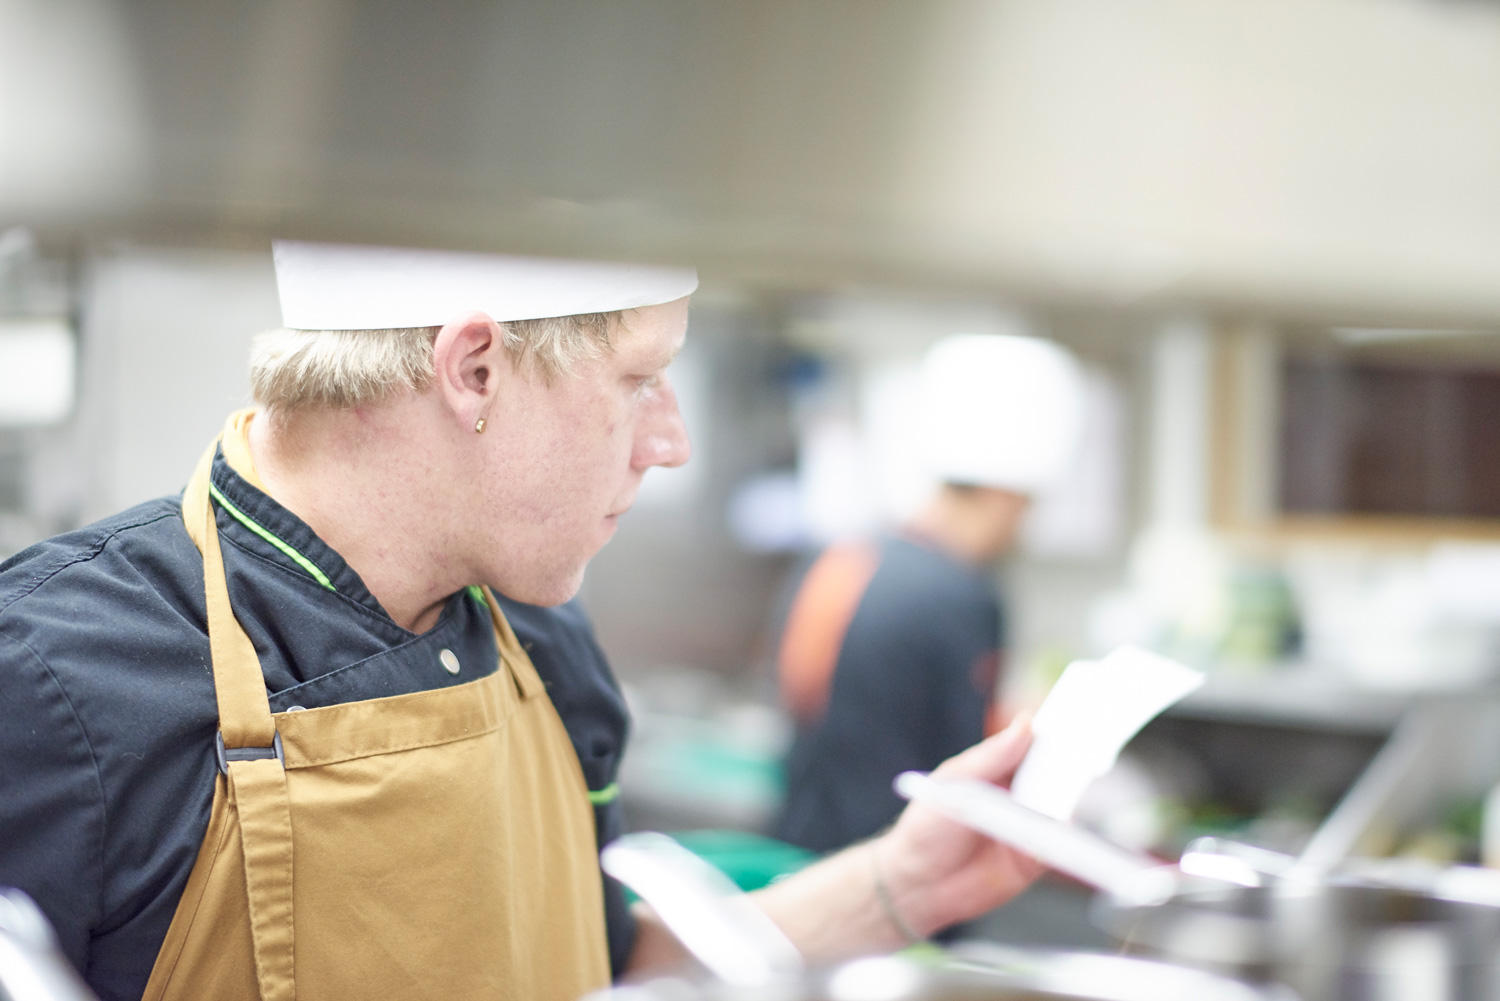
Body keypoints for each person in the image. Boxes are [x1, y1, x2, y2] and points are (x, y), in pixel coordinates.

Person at [0, 241, 1043, 1001]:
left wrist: (903, 878)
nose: (669, 439)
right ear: (474, 369)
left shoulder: (542, 643)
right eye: (639, 379)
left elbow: (606, 959)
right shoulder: (54, 675)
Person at [773, 331, 1086, 855]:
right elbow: (969, 756)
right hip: (903, 866)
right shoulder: (959, 595)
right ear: (1004, 496)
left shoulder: (840, 558)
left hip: (806, 850)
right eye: (1026, 506)